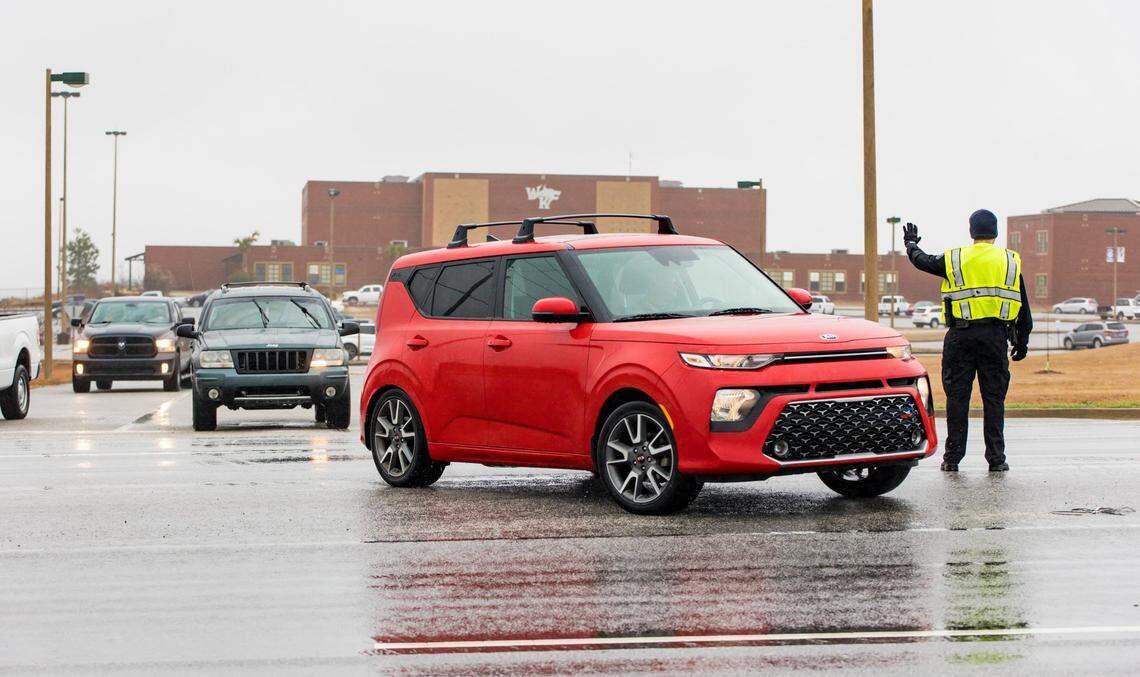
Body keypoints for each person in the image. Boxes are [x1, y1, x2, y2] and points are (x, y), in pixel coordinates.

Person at [903, 210, 1032, 472]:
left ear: (972, 231)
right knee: (994, 398)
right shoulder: (1010, 261)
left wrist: (911, 244)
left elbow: (923, 261)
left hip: (960, 337)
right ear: (995, 232)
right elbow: (1023, 305)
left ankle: (952, 459)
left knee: (957, 398)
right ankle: (997, 459)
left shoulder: (956, 258)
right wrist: (1022, 340)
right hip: (996, 337)